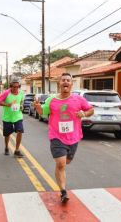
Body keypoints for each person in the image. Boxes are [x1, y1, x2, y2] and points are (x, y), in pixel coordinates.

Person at [34, 73, 94, 203]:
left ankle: (60, 176)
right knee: (61, 164)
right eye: (63, 80)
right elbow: (42, 111)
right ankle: (63, 191)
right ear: (59, 83)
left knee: (66, 162)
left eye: (68, 80)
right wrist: (38, 108)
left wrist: (84, 113)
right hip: (56, 136)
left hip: (74, 137)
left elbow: (91, 110)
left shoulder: (78, 99)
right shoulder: (52, 100)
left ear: (71, 84)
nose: (66, 82)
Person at [0, 78, 25, 157]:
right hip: (7, 117)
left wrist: (21, 106)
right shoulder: (6, 93)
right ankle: (6, 147)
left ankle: (16, 150)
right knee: (7, 134)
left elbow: (21, 101)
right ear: (10, 86)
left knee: (20, 131)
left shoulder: (21, 93)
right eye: (14, 87)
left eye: (17, 87)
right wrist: (7, 105)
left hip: (18, 116)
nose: (16, 88)